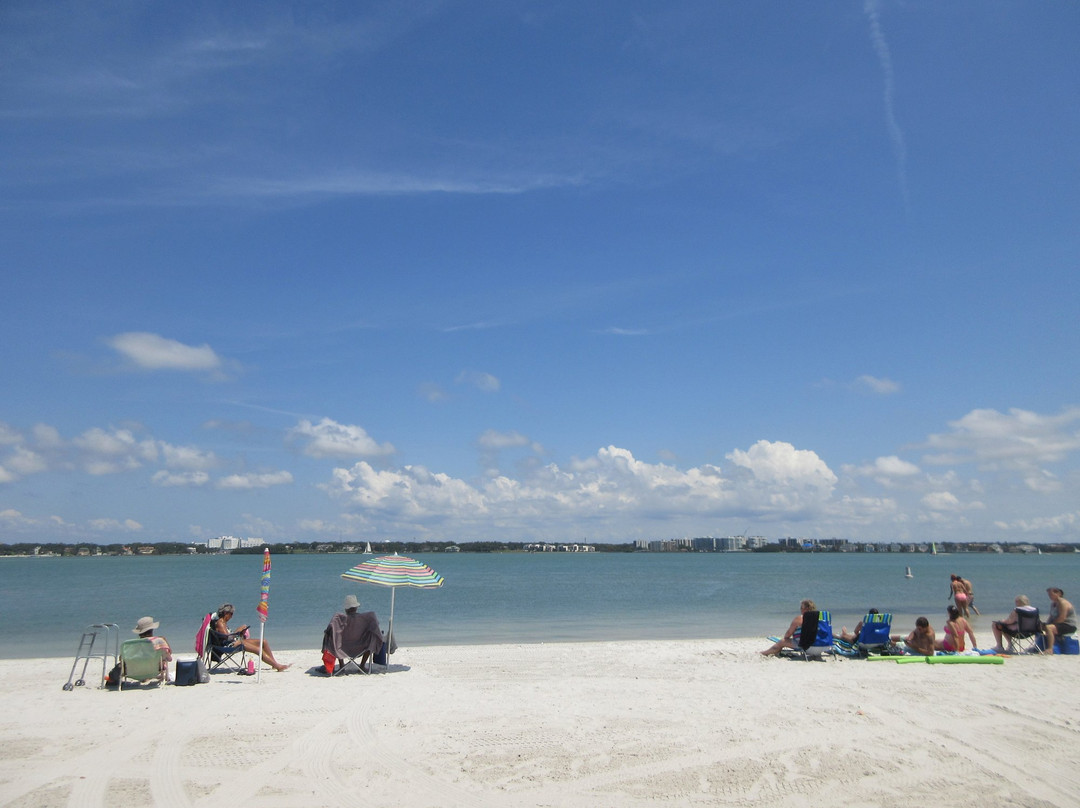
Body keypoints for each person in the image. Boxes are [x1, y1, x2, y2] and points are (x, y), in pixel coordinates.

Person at [214, 603, 289, 671]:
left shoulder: (223, 622)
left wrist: (240, 632)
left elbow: (228, 636)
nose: (232, 616)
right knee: (257, 649)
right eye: (231, 614)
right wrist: (238, 631)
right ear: (225, 613)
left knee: (263, 642)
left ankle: (274, 664)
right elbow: (227, 638)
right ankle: (278, 666)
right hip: (230, 645)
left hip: (235, 641)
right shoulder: (220, 623)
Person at [321, 594, 385, 674]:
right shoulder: (365, 619)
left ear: (346, 608)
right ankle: (362, 665)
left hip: (341, 648)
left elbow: (330, 631)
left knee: (334, 637)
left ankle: (342, 666)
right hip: (361, 647)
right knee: (371, 637)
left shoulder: (339, 620)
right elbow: (375, 630)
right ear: (356, 607)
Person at [106, 616, 173, 686]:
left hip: (133, 672)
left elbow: (121, 659)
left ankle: (112, 680)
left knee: (117, 669)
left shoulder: (130, 644)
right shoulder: (159, 642)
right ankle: (146, 677)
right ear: (152, 630)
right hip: (154, 671)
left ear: (139, 632)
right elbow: (168, 658)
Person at [1044, 587, 1077, 653]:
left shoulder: (1063, 603)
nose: (1050, 597)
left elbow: (1062, 618)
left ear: (1058, 593)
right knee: (1041, 627)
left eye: (1051, 594)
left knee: (1049, 628)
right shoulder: (1053, 604)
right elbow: (1051, 617)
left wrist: (1050, 625)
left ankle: (1050, 649)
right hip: (1059, 624)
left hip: (1068, 625)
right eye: (1049, 595)